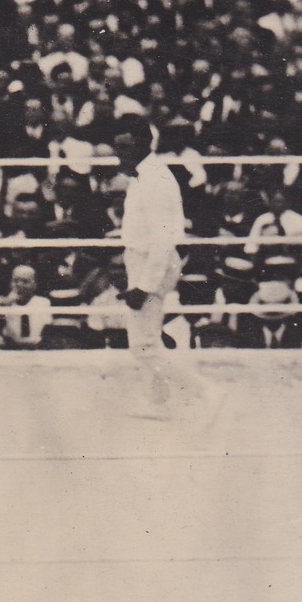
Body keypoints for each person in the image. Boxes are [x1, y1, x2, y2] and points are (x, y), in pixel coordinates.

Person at [115, 119, 211, 418]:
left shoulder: (156, 180)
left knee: (142, 345)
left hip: (151, 264)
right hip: (143, 261)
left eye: (126, 147)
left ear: (144, 145)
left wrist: (144, 285)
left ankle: (206, 392)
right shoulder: (142, 177)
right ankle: (158, 402)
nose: (120, 154)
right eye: (118, 147)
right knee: (149, 338)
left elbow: (163, 238)